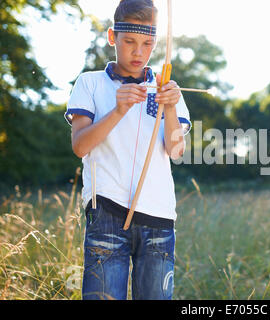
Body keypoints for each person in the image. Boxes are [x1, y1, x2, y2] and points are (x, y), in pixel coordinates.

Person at [64, 0, 191, 300]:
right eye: (130, 42)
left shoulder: (165, 89)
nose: (138, 52)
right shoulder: (91, 83)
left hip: (158, 216)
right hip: (107, 210)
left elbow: (176, 150)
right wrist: (118, 110)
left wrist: (170, 107)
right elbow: (80, 146)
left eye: (147, 43)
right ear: (113, 37)